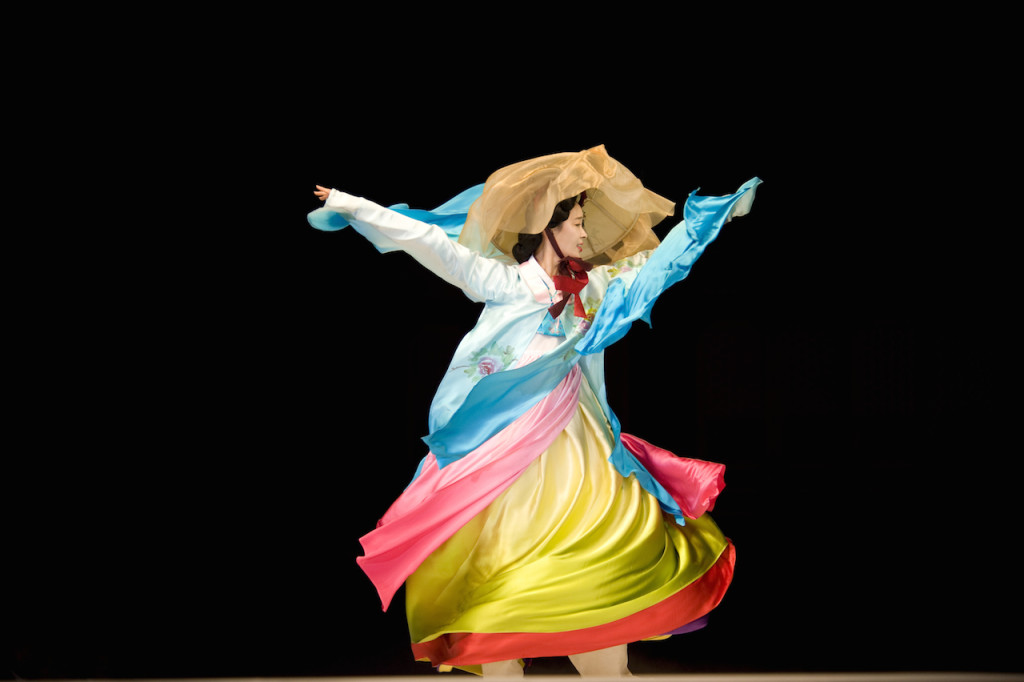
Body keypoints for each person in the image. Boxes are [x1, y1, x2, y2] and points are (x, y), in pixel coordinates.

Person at [310, 146, 760, 677]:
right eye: (576, 223)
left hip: (578, 439)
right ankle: (509, 641)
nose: (586, 235)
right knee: (502, 580)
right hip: (508, 445)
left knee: (595, 553)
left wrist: (712, 218)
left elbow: (653, 270)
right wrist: (353, 204)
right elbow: (429, 241)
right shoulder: (506, 283)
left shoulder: (591, 287)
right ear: (548, 228)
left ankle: (598, 638)